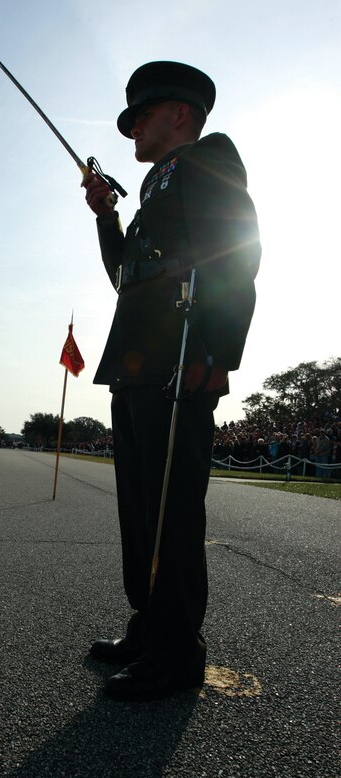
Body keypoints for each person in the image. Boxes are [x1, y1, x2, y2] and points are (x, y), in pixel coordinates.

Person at [82, 61, 261, 700]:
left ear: (178, 114)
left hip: (181, 356)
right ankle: (149, 626)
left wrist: (218, 350)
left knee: (171, 511)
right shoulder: (156, 185)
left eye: (142, 117)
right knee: (138, 507)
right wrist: (106, 215)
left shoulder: (209, 157)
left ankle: (178, 650)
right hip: (135, 362)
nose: (132, 130)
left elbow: (239, 251)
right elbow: (126, 277)